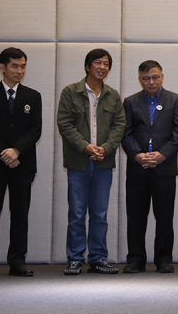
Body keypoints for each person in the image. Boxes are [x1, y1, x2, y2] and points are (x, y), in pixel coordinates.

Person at [57, 48, 126, 275]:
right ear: (87, 66)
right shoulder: (70, 92)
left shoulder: (113, 95)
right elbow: (65, 123)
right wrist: (85, 146)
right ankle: (75, 258)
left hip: (103, 163)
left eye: (106, 64)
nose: (102, 67)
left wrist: (105, 149)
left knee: (100, 213)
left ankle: (97, 258)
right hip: (79, 162)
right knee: (76, 212)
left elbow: (119, 126)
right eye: (98, 63)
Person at [0, 48, 42, 278]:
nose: (20, 71)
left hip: (23, 165)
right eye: (15, 66)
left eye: (23, 66)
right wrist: (5, 153)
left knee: (20, 213)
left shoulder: (33, 96)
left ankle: (17, 261)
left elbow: (35, 130)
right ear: (2, 67)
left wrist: (16, 151)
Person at [121, 60, 178, 274]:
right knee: (136, 216)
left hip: (164, 168)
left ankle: (164, 258)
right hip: (137, 168)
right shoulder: (130, 102)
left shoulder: (176, 100)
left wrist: (162, 155)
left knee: (165, 216)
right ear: (140, 79)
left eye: (155, 77)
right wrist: (138, 155)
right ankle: (135, 259)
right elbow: (126, 133)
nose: (151, 81)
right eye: (146, 78)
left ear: (162, 76)